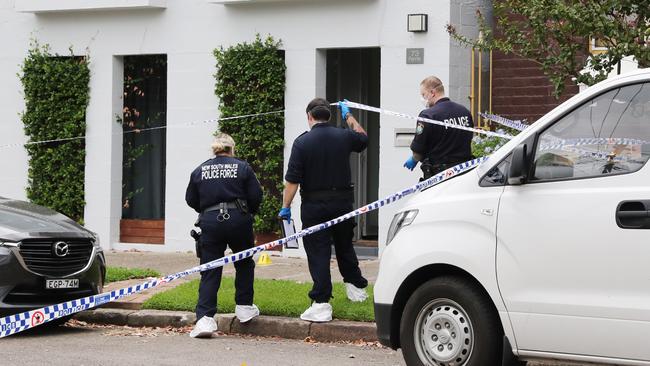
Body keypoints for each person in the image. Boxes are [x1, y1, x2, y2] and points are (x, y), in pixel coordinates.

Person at [279, 98, 369, 323]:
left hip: (314, 206)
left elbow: (292, 181)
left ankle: (321, 303)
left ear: (310, 117)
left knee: (318, 253)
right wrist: (349, 116)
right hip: (342, 203)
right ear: (329, 115)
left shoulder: (303, 142)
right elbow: (363, 138)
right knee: (345, 247)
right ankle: (356, 290)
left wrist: (285, 207)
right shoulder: (344, 135)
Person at [185, 133, 263, 338]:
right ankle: (245, 308)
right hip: (239, 218)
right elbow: (256, 196)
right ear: (232, 149)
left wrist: (208, 210)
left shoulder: (199, 170)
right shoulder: (242, 167)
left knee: (210, 268)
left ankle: (204, 320)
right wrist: (246, 213)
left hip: (210, 221)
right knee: (244, 263)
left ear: (214, 149)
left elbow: (191, 199)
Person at [404, 76, 474, 180]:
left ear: (432, 92)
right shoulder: (464, 111)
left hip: (440, 175)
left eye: (423, 94)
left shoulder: (428, 116)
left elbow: (418, 149)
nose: (422, 98)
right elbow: (469, 137)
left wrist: (414, 159)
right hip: (464, 172)